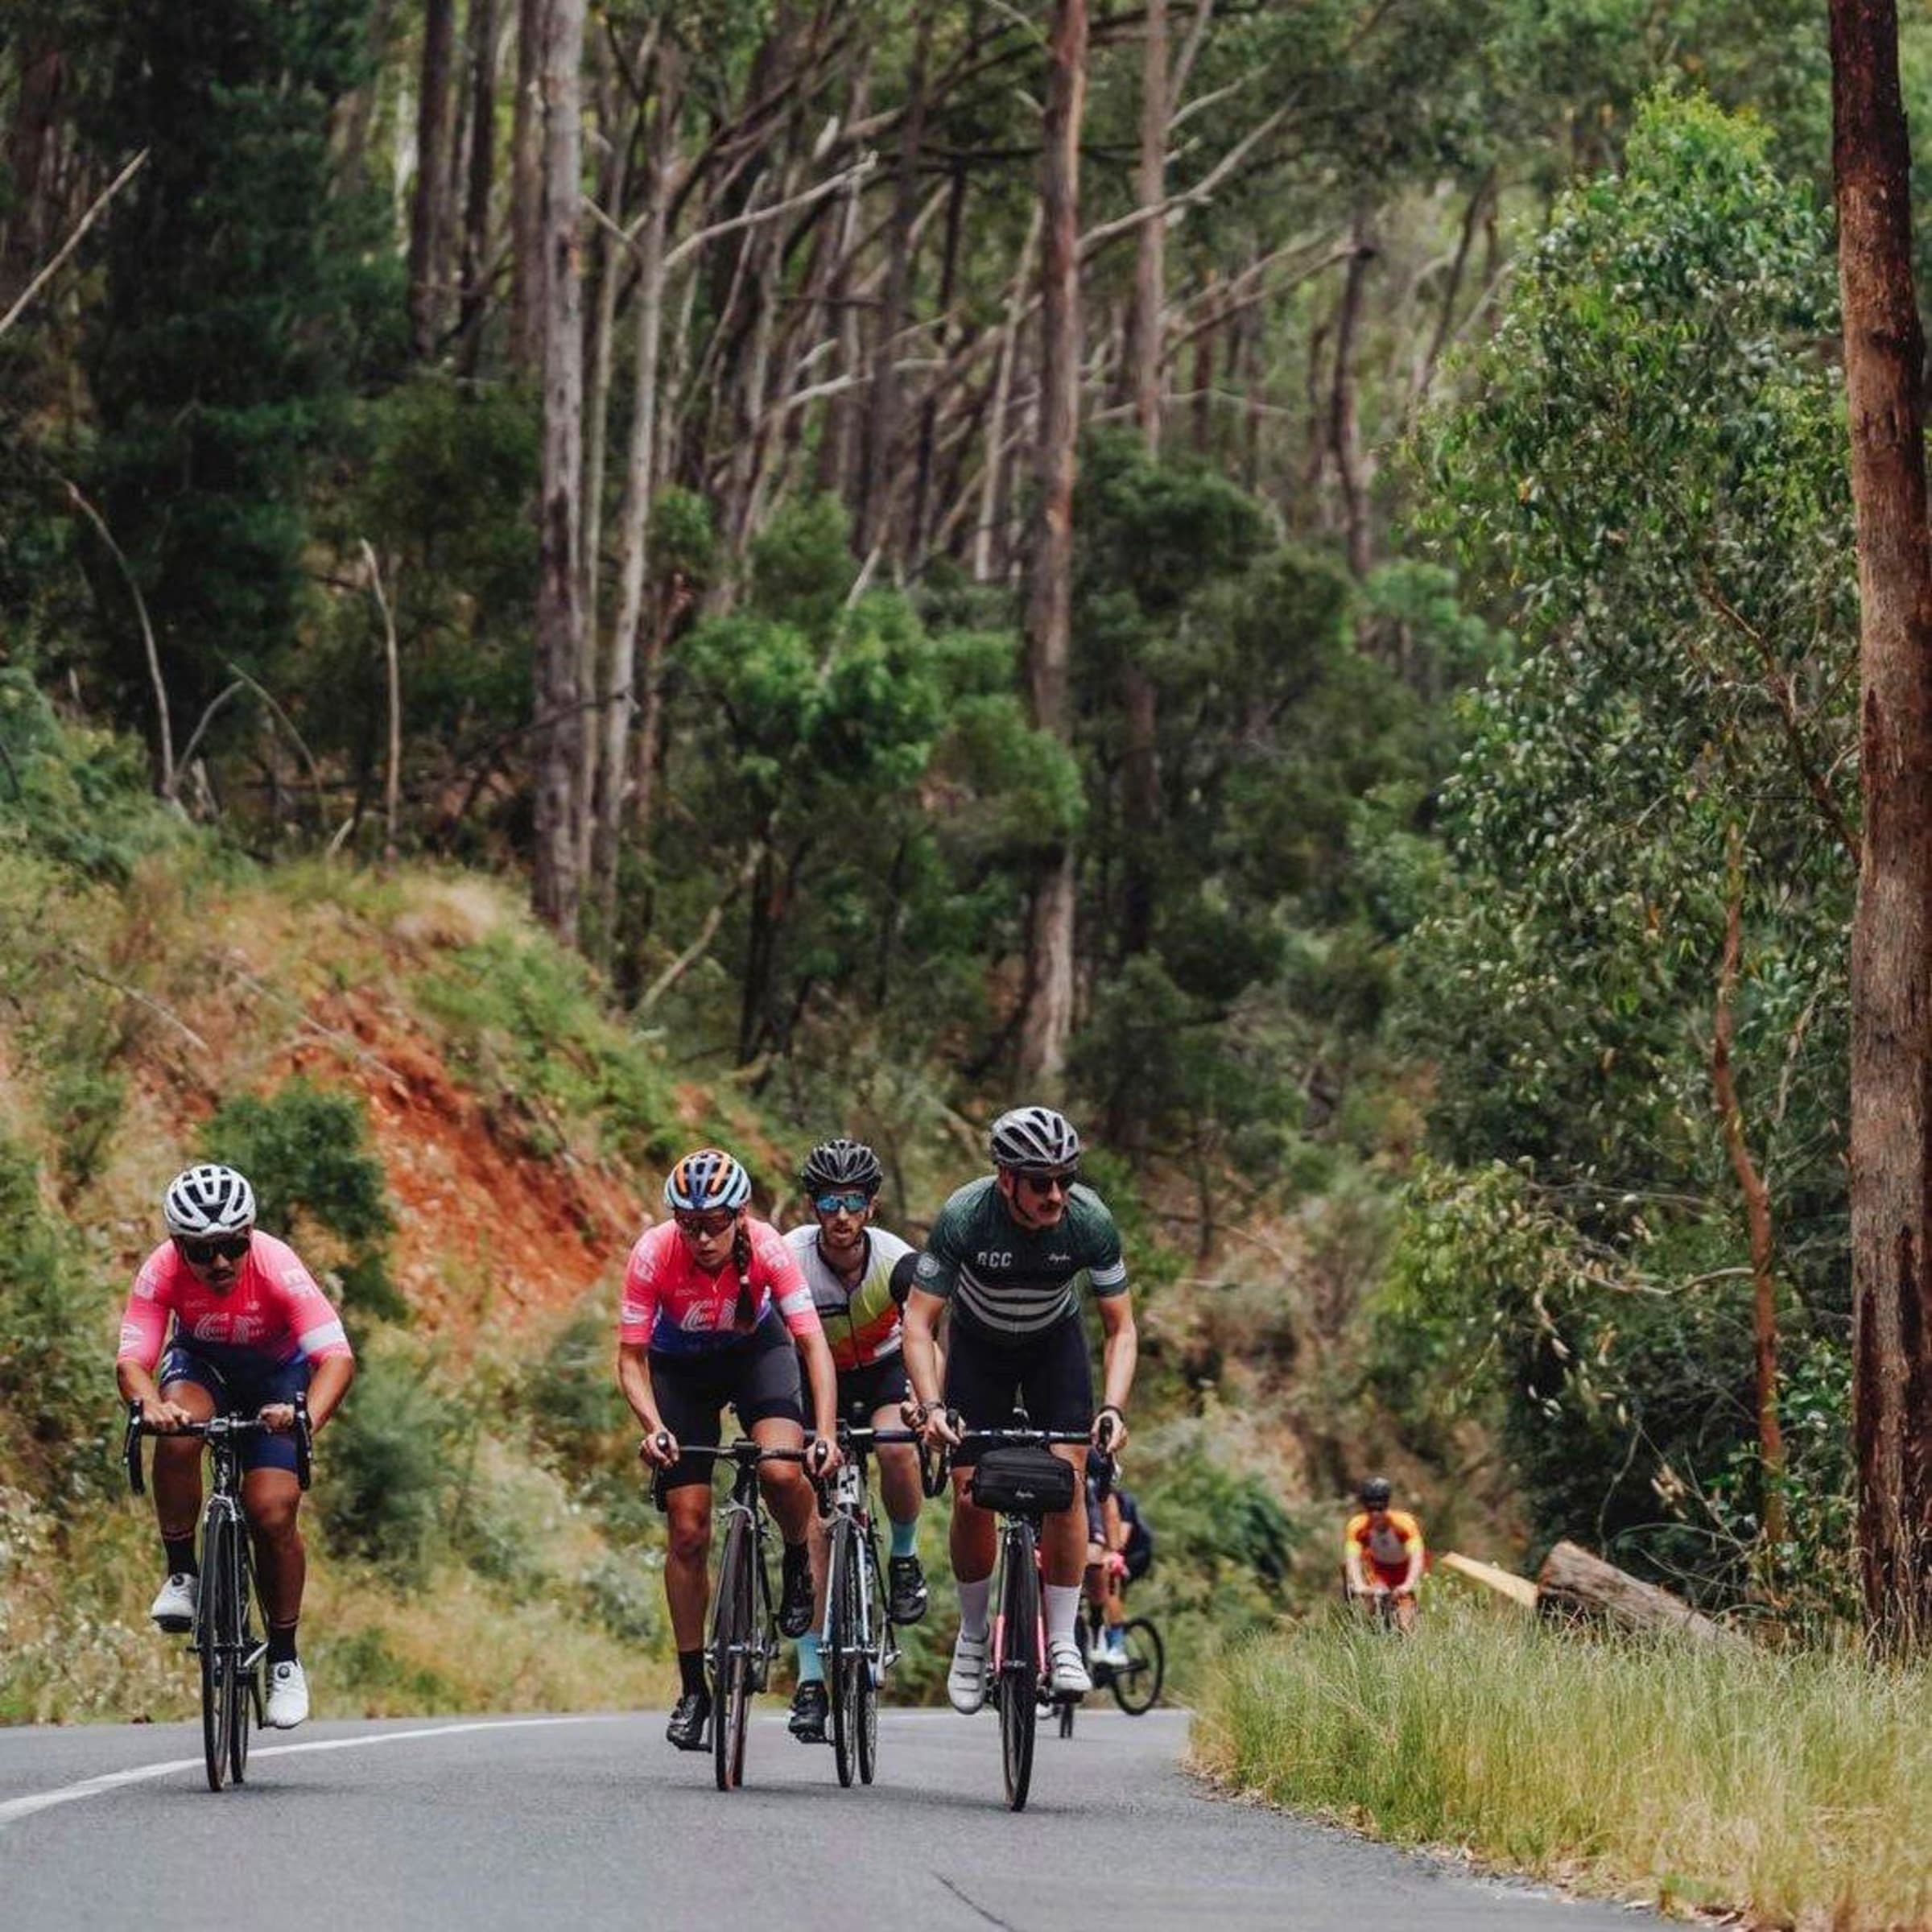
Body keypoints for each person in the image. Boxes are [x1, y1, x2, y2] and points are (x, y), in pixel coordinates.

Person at [903, 1105, 1137, 1711]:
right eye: (1040, 1182)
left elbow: (1121, 1328)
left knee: (1068, 1479)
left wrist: (1112, 1407)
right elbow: (919, 1322)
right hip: (978, 1349)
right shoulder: (965, 1216)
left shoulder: (1089, 1222)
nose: (1055, 1193)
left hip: (1051, 1347)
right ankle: (975, 1633)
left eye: (1065, 1178)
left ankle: (1061, 1638)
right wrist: (931, 1405)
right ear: (1006, 1179)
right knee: (969, 1493)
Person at [114, 1162, 357, 1730]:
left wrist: (302, 1420)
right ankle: (183, 1575)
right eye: (203, 1250)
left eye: (232, 1245)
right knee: (177, 1434)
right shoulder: (160, 1271)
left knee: (271, 1512)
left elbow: (336, 1358)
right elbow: (133, 1360)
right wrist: (151, 1404)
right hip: (203, 1369)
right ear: (178, 1246)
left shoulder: (278, 1267)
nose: (220, 1262)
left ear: (250, 1236)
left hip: (278, 1379)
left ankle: (284, 1658)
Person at [617, 1148, 843, 1752]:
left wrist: (824, 1432)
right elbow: (632, 1359)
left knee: (778, 1468)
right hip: (680, 1370)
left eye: (716, 1222)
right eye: (688, 1223)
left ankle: (797, 1554)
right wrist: (652, 1425)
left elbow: (813, 1346)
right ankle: (695, 1690)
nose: (702, 1236)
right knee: (687, 1531)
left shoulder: (768, 1249)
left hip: (755, 1356)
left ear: (740, 1215)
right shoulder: (653, 1253)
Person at [780, 1137, 928, 1744]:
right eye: (828, 1201)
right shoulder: (791, 1257)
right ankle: (811, 1680)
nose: (841, 1215)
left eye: (854, 1202)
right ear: (812, 1205)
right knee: (816, 1517)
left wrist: (927, 1400)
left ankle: (903, 1556)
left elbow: (926, 1332)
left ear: (871, 1205)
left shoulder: (897, 1260)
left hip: (884, 1370)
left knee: (895, 1445)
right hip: (817, 1376)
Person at [1084, 1471, 1152, 1669]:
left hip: (1136, 1552)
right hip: (1101, 1549)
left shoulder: (1124, 1502)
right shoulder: (1085, 1498)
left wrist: (1106, 1555)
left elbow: (1120, 1541)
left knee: (1110, 1576)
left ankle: (1117, 1644)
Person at [1342, 1476, 1425, 1631]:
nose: (1375, 1514)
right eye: (1370, 1509)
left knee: (1405, 1625)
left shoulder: (1404, 1524)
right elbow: (1352, 1558)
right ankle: (1364, 1629)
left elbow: (1417, 1556)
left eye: (1380, 1509)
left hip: (1404, 1570)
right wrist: (1359, 1585)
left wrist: (1408, 1584)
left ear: (1387, 1506)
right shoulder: (1357, 1526)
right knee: (1370, 1606)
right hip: (1378, 1570)